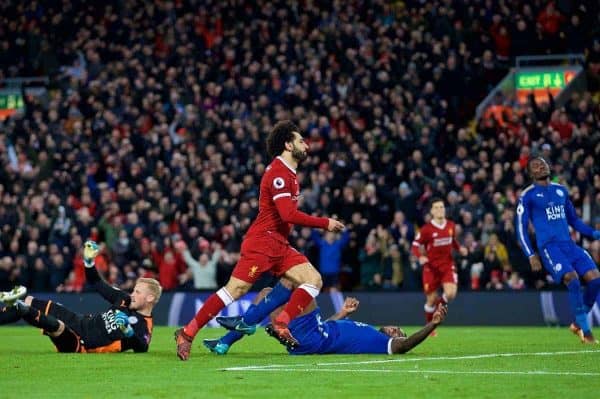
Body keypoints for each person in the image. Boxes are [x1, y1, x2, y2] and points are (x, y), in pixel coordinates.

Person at [174, 120, 345, 360]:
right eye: (301, 141)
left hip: (279, 245)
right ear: (288, 145)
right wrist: (324, 222)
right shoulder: (278, 174)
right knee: (235, 290)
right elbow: (288, 214)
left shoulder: (290, 174)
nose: (306, 145)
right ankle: (187, 333)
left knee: (313, 280)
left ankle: (282, 322)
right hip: (262, 243)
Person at [0, 241, 162, 353]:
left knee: (57, 326)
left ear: (149, 298)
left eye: (138, 293)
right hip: (78, 321)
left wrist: (128, 332)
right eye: (134, 291)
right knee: (30, 302)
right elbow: (96, 283)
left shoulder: (144, 325)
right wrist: (89, 262)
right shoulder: (124, 300)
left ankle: (21, 306)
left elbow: (142, 347)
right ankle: (21, 305)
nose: (132, 295)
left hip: (81, 343)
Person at [205, 284, 447, 355]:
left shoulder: (378, 342)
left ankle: (267, 327)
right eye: (397, 327)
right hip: (315, 333)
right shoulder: (364, 328)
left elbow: (406, 345)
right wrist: (342, 313)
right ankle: (226, 342)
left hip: (313, 338)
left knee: (304, 285)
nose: (395, 329)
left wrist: (432, 324)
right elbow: (328, 326)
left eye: (398, 332)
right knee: (267, 293)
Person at [516, 156, 600, 344]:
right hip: (549, 248)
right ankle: (586, 332)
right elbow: (520, 228)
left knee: (595, 280)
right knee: (572, 279)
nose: (540, 167)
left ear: (548, 167)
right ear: (531, 173)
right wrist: (531, 254)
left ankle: (578, 323)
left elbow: (574, 220)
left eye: (543, 164)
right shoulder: (527, 195)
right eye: (535, 167)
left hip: (569, 245)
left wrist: (594, 234)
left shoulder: (561, 191)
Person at [411, 197, 468, 333]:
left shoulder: (450, 225)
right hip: (431, 268)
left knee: (451, 293)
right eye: (436, 207)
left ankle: (438, 308)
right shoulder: (426, 229)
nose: (440, 210)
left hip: (447, 265)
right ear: (431, 211)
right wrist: (420, 257)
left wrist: (459, 249)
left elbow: (452, 240)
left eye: (442, 207)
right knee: (431, 300)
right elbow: (415, 245)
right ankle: (430, 327)